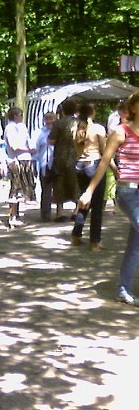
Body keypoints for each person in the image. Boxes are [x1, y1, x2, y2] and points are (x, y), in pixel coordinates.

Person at [79, 92, 139, 304]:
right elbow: (104, 162)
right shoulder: (120, 132)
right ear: (133, 108)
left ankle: (123, 289)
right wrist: (89, 191)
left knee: (135, 245)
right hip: (128, 192)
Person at [70, 104, 106, 250]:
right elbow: (104, 152)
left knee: (84, 201)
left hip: (79, 165)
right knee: (97, 206)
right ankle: (95, 241)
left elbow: (77, 149)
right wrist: (114, 168)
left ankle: (76, 234)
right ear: (92, 112)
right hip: (94, 165)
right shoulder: (98, 129)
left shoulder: (76, 130)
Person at [3, 107, 36, 228]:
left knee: (21, 190)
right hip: (15, 161)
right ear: (15, 116)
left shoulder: (21, 127)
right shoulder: (10, 128)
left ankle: (16, 215)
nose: (22, 117)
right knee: (15, 188)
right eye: (20, 115)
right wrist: (29, 150)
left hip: (24, 160)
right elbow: (14, 147)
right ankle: (12, 217)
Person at [48, 98, 79, 221]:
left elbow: (51, 141)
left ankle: (60, 212)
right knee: (76, 182)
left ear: (63, 110)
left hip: (60, 157)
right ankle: (76, 211)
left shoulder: (58, 123)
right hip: (76, 156)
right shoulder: (79, 123)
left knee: (59, 183)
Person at [32, 111, 57, 221]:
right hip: (44, 164)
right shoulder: (39, 132)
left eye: (51, 118)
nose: (49, 121)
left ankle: (60, 213)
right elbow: (35, 149)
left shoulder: (59, 132)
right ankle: (45, 215)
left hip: (57, 163)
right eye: (47, 119)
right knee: (46, 190)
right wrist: (34, 163)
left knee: (58, 189)